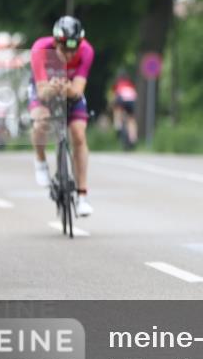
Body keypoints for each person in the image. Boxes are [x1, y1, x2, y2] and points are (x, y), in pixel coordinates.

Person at [28, 16, 95, 217]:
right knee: (41, 121)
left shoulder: (86, 51)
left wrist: (68, 91)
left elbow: (78, 89)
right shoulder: (40, 48)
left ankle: (82, 196)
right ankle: (40, 161)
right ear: (56, 42)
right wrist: (51, 89)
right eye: (64, 48)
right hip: (44, 89)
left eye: (73, 49)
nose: (69, 54)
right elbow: (41, 92)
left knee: (78, 134)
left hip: (69, 90)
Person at [111, 69, 138, 150]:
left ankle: (118, 125)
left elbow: (115, 96)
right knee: (131, 119)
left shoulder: (118, 83)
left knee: (117, 110)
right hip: (132, 99)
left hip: (121, 98)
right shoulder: (130, 83)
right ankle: (133, 138)